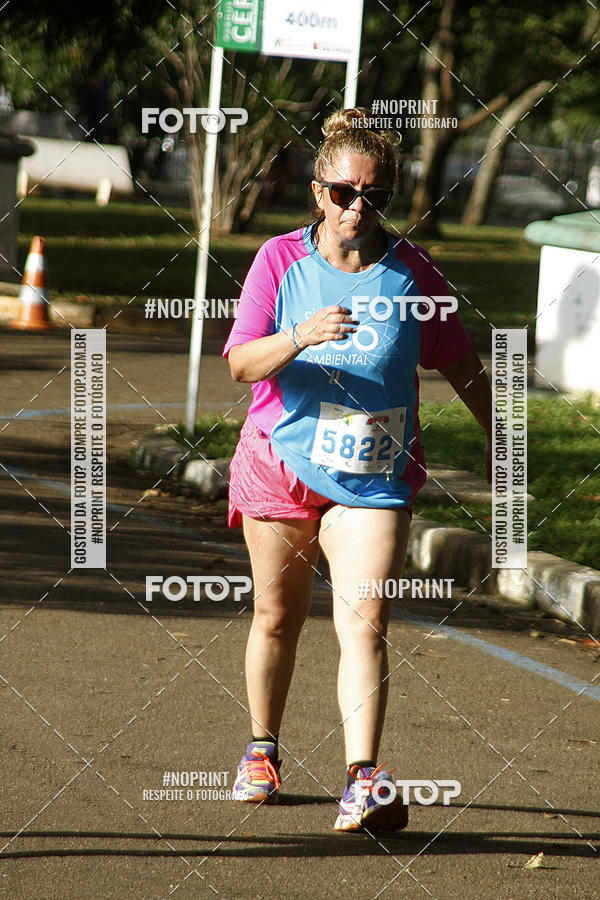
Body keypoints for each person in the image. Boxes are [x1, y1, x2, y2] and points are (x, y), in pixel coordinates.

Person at [222, 107, 492, 833]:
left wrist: (505, 441)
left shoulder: (415, 275)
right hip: (281, 462)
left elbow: (463, 365)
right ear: (318, 192)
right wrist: (299, 334)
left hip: (373, 479)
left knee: (366, 620)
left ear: (389, 198)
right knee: (277, 616)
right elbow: (240, 364)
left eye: (372, 195)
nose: (356, 207)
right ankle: (261, 750)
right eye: (342, 192)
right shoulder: (280, 261)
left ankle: (363, 779)